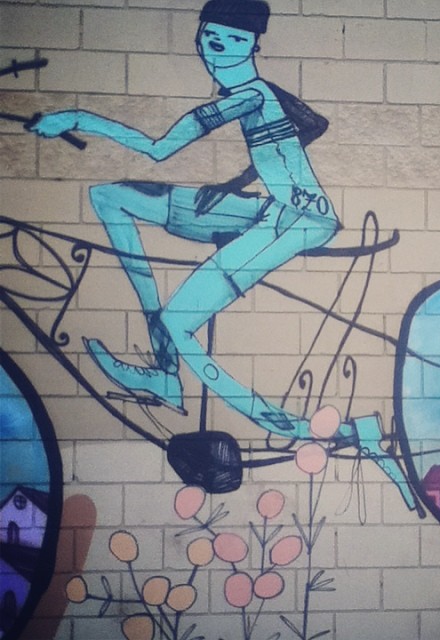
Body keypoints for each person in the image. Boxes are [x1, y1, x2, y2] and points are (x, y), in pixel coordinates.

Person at [30, 0, 416, 510]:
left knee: (178, 320)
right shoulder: (254, 96)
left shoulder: (249, 95)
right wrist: (234, 184)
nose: (220, 49)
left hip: (297, 220)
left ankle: (343, 432)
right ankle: (165, 371)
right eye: (212, 38)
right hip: (267, 209)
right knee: (111, 197)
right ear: (198, 42)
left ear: (254, 46)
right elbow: (296, 140)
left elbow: (159, 149)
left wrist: (77, 117)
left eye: (235, 40)